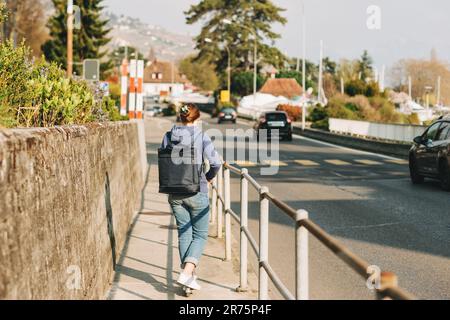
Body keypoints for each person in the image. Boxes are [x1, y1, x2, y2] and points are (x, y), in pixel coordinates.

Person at [160, 104, 222, 291]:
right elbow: (216, 163)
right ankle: (187, 273)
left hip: (174, 192)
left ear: (181, 117)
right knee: (200, 234)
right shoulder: (201, 136)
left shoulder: (168, 136)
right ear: (197, 119)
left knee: (184, 233)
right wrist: (208, 177)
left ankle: (188, 281)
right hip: (197, 190)